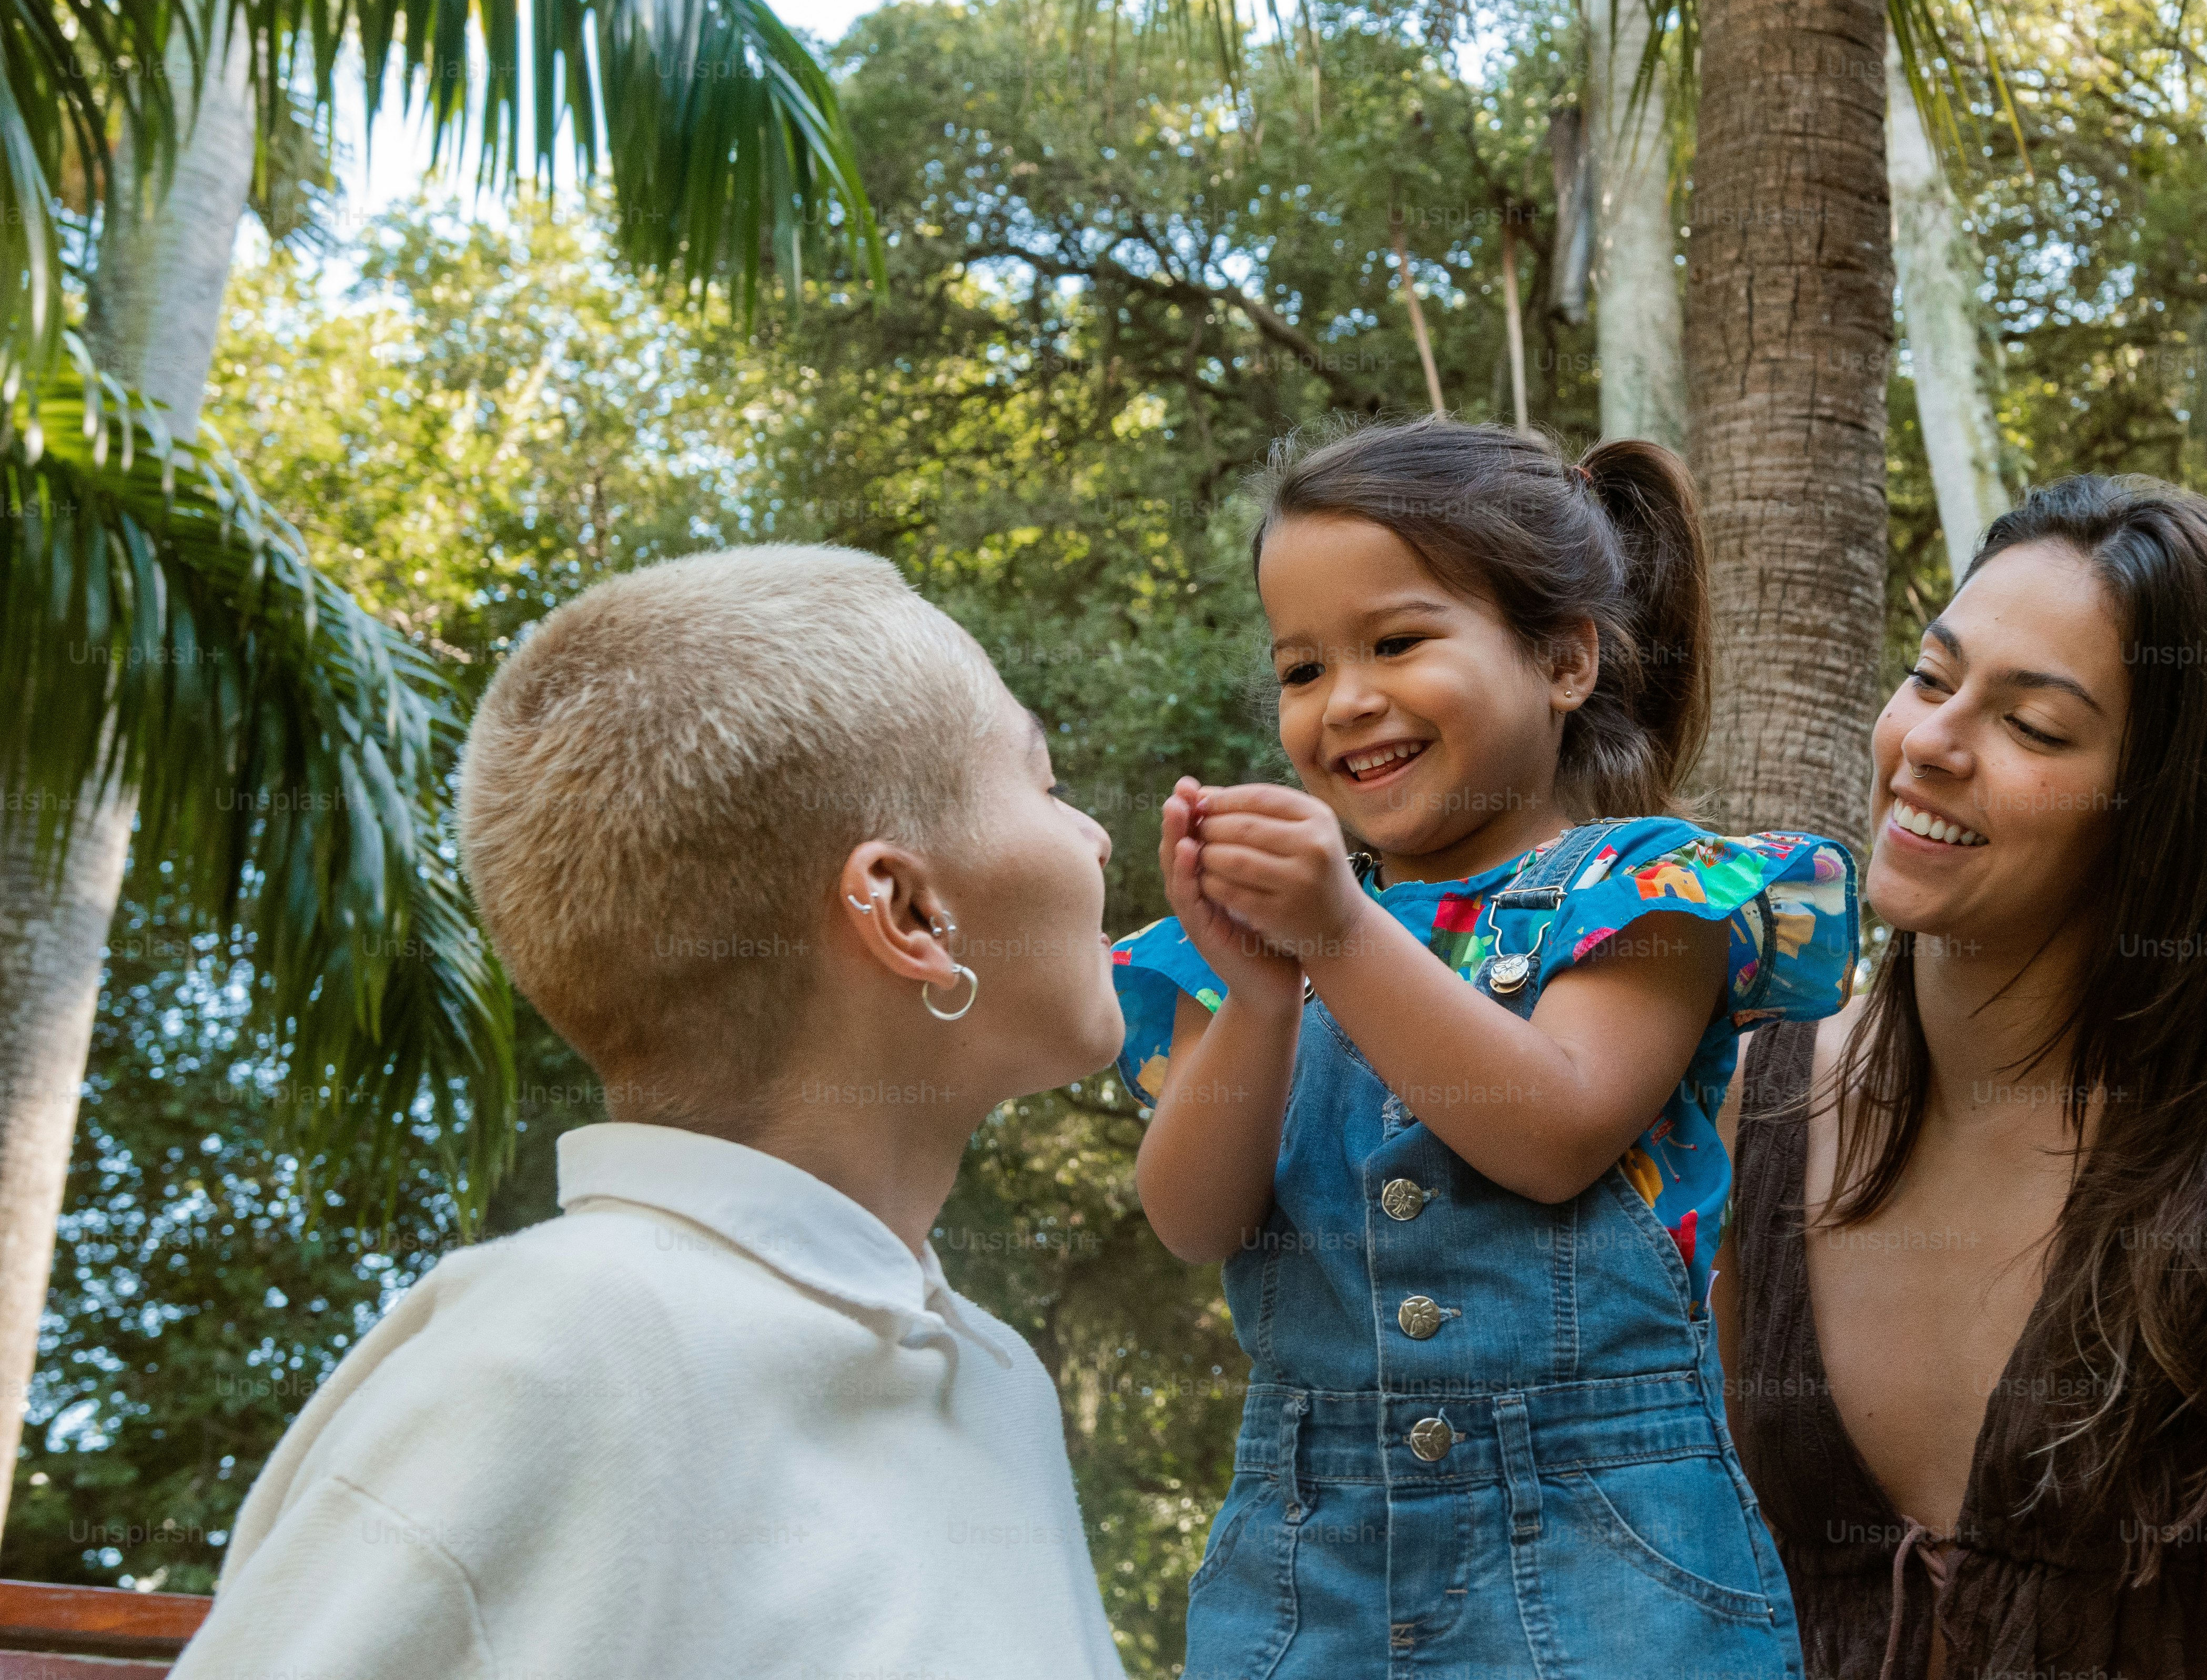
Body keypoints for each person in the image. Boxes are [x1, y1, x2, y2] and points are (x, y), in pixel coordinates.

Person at [171, 545, 1129, 1680]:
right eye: (1046, 781)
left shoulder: (998, 1378)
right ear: (910, 910)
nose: (1094, 836)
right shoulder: (557, 1346)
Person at [1111, 416, 1859, 1679]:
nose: (1344, 701)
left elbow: (1555, 1129)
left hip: (1603, 1549)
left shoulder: (1644, 893)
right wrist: (1255, 994)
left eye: (1397, 642)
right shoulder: (1265, 944)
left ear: (1565, 659)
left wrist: (1338, 934)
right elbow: (1192, 1216)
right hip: (1306, 1560)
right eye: (1300, 668)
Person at [1715, 475, 2207, 1680]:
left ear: (2164, 814)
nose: (1927, 741)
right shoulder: (1749, 1094)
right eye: (1929, 676)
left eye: (2033, 726)